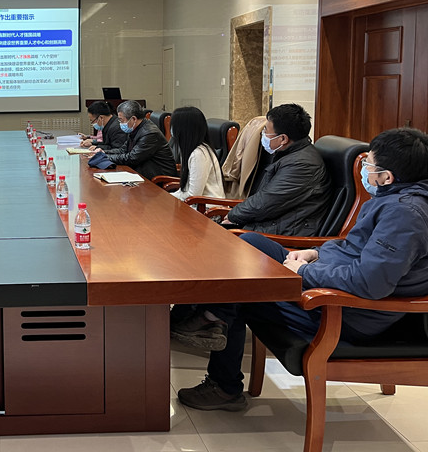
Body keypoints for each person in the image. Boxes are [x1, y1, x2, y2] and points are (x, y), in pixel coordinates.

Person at [174, 127, 428, 412]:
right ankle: (206, 317)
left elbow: (369, 282)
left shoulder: (404, 215)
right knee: (251, 243)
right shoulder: (394, 199)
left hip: (344, 310)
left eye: (369, 164)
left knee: (243, 288)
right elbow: (353, 247)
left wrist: (304, 273)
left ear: (387, 176)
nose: (364, 170)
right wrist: (314, 253)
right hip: (328, 277)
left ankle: (223, 384)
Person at [222, 103, 331, 236]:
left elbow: (266, 202)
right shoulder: (288, 154)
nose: (263, 134)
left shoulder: (303, 165)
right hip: (270, 225)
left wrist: (233, 215)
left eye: (266, 130)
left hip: (284, 235)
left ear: (283, 139)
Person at [93, 99, 177, 181]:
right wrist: (104, 152)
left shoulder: (149, 133)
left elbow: (132, 158)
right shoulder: (135, 128)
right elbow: (123, 150)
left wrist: (106, 157)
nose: (119, 123)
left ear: (133, 119)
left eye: (121, 120)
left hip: (158, 178)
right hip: (143, 172)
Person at [169, 106, 225, 202]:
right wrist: (166, 195)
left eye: (174, 126)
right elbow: (185, 190)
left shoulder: (199, 154)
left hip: (207, 207)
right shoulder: (189, 149)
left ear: (184, 129)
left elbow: (194, 195)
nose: (171, 130)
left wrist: (168, 197)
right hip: (194, 204)